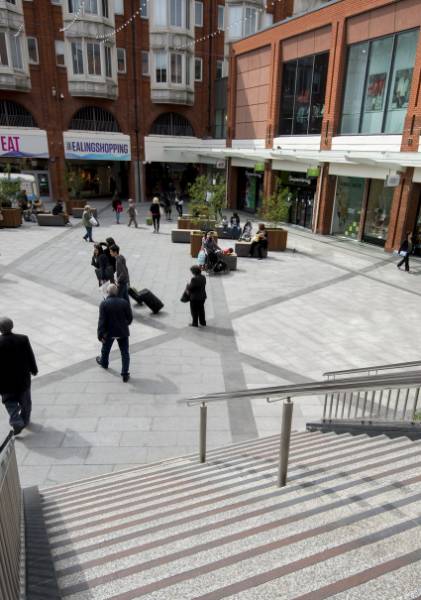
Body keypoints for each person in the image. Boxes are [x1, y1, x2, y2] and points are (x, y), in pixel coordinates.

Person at [0, 317, 38, 435]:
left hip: (5, 381)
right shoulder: (23, 339)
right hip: (22, 379)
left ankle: (16, 420)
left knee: (9, 402)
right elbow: (30, 355)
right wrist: (34, 369)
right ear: (12, 326)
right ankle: (25, 421)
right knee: (25, 402)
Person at [96, 284, 132, 382]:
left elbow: (101, 321)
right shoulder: (124, 302)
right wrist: (124, 324)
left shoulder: (104, 304)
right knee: (125, 353)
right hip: (122, 331)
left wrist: (100, 334)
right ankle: (125, 373)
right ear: (116, 292)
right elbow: (130, 318)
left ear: (107, 292)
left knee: (105, 350)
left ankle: (104, 363)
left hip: (109, 332)